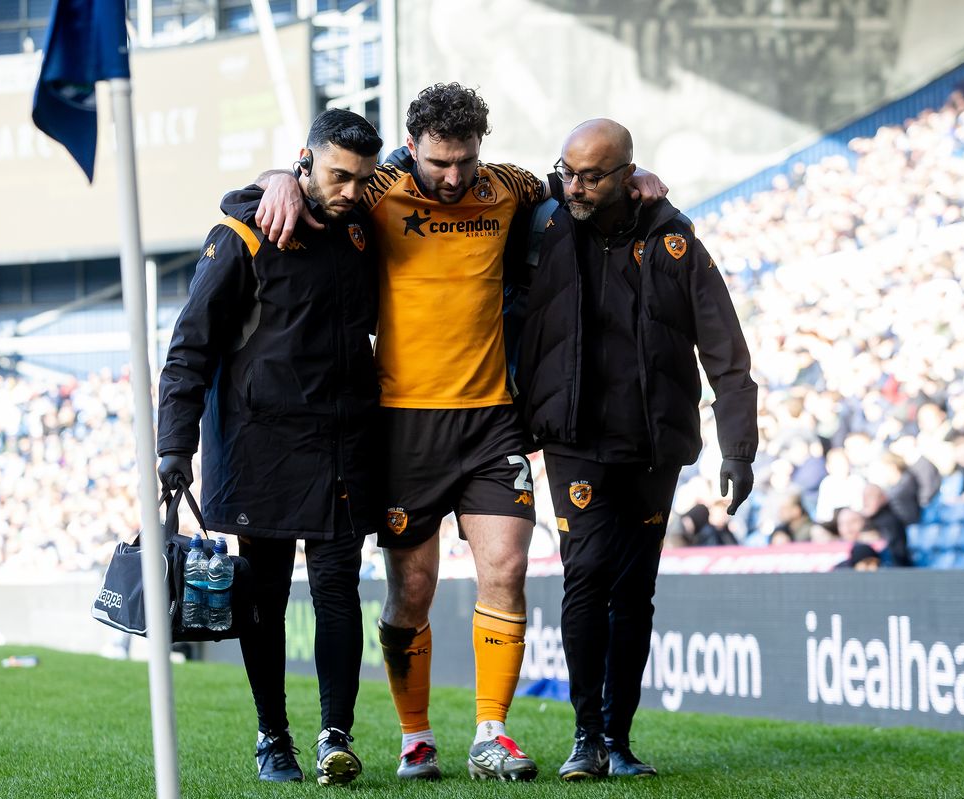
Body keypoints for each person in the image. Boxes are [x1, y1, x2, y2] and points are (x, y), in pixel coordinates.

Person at [253, 83, 668, 782]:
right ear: (411, 148)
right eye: (440, 162)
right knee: (411, 593)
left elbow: (575, 182)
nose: (453, 178)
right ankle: (416, 737)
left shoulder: (506, 186)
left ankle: (491, 731)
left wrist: (639, 182)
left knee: (505, 569)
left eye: (465, 161)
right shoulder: (377, 188)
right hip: (402, 424)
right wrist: (273, 180)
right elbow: (310, 186)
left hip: (491, 420)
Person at [515, 119, 757, 780]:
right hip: (574, 438)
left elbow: (726, 350)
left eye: (592, 174)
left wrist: (739, 448)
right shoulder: (545, 220)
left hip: (655, 444)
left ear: (628, 173)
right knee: (585, 574)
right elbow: (456, 174)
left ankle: (618, 740)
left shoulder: (675, 240)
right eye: (568, 170)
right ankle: (585, 735)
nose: (575, 185)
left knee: (635, 590)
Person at [155, 109, 383, 786]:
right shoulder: (242, 233)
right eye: (338, 174)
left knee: (340, 585)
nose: (351, 190)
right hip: (263, 449)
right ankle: (272, 736)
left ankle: (334, 736)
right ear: (305, 162)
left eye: (363, 180)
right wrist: (175, 446)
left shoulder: (364, 225)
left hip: (345, 445)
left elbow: (431, 162)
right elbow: (188, 347)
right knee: (264, 596)